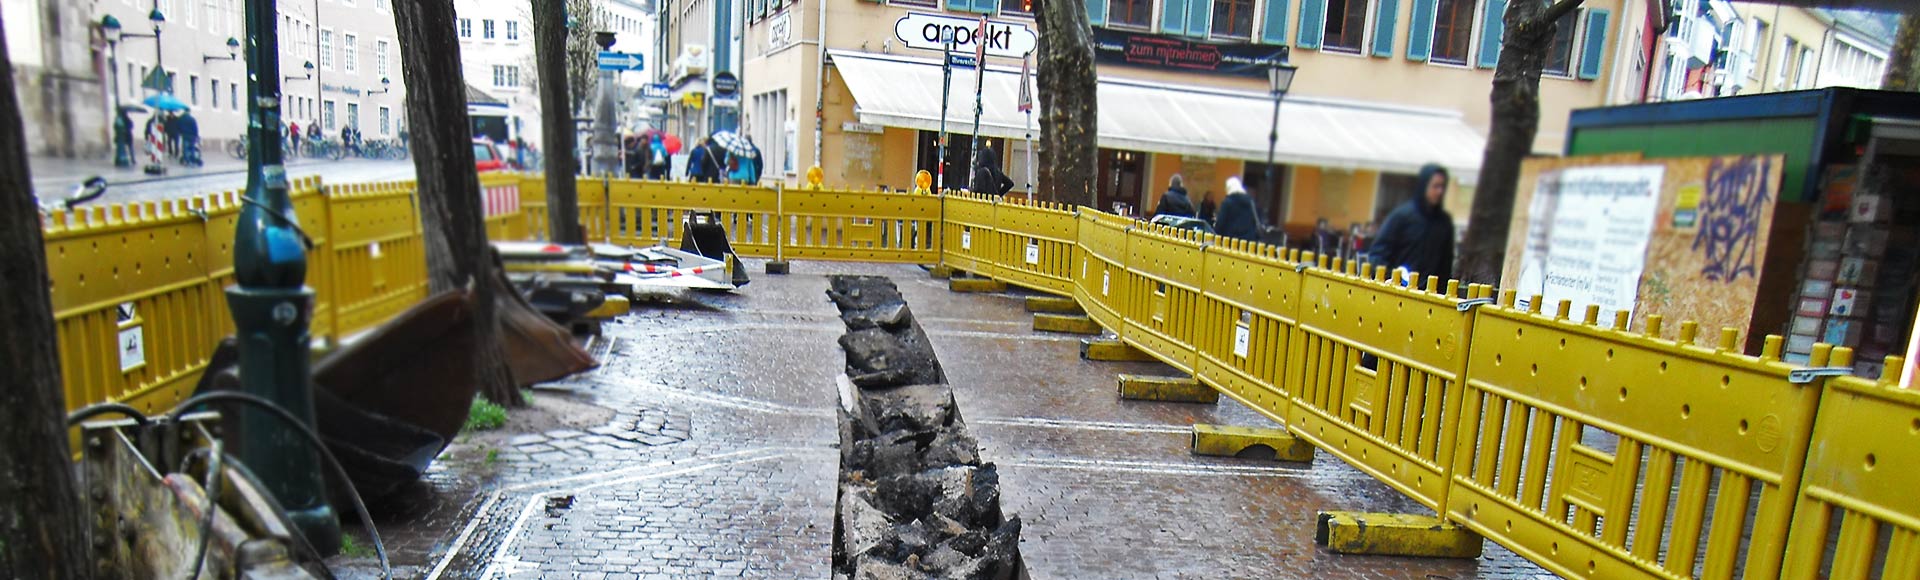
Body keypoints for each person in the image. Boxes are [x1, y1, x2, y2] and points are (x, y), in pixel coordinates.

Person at [1367, 163, 1456, 283]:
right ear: (1424, 186)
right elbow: (1378, 254)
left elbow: (1445, 265)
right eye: (1435, 186)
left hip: (1429, 293)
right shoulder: (1402, 217)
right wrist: (1392, 277)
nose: (1439, 192)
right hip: (1399, 289)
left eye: (1442, 187)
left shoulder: (1444, 223)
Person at [1212, 176, 1262, 241]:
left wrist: (1215, 235)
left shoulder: (1228, 202)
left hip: (1231, 241)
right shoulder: (1250, 201)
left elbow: (1220, 223)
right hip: (1249, 241)